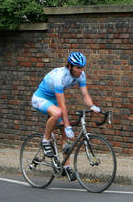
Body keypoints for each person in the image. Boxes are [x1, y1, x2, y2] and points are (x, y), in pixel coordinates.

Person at [31, 52, 101, 180]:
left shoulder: (81, 75)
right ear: (70, 66)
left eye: (82, 68)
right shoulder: (60, 77)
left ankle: (66, 167)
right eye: (78, 68)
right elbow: (62, 105)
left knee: (65, 133)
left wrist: (92, 106)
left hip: (53, 101)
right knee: (58, 113)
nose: (81, 71)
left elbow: (85, 94)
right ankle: (45, 140)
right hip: (40, 98)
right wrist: (68, 125)